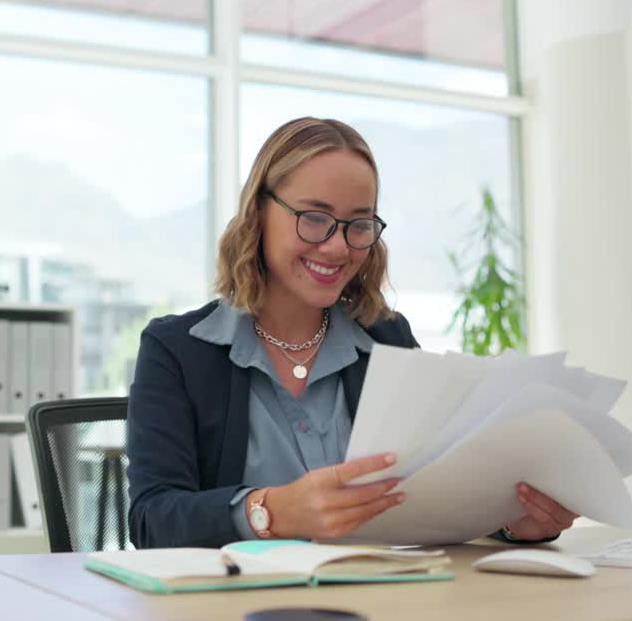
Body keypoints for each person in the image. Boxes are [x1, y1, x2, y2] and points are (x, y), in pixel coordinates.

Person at [126, 117, 577, 549]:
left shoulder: (389, 341)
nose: (338, 246)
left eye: (359, 224)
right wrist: (273, 512)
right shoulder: (178, 350)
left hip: (380, 610)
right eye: (315, 218)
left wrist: (514, 520)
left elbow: (440, 494)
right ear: (259, 213)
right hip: (233, 617)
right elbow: (152, 520)